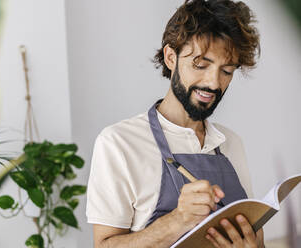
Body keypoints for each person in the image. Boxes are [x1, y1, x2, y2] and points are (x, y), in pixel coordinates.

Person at [86, 0, 264, 247]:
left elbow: (254, 237)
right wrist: (178, 220)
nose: (213, 83)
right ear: (171, 57)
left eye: (226, 71)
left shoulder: (231, 142)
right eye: (201, 65)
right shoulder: (118, 143)